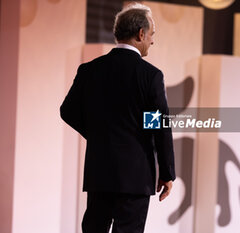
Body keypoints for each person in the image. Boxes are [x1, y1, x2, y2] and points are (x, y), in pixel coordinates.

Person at [60, 3, 175, 233]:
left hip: (99, 173)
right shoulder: (150, 76)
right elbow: (158, 124)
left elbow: (68, 111)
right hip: (136, 177)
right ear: (141, 33)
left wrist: (98, 133)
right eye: (151, 35)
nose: (152, 40)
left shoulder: (89, 70)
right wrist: (167, 172)